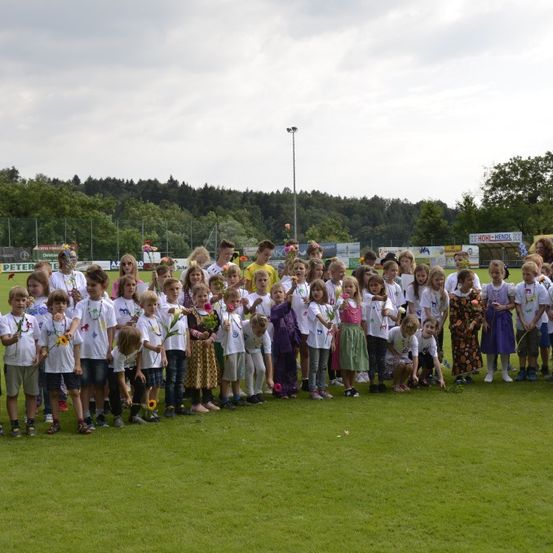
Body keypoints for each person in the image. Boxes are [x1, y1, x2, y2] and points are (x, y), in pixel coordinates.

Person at [70, 265, 117, 429]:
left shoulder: (109, 306)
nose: (89, 288)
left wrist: (109, 348)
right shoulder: (81, 305)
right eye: (88, 284)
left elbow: (111, 328)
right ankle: (86, 416)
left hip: (100, 352)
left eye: (93, 285)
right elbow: (76, 320)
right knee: (85, 385)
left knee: (99, 385)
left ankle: (100, 413)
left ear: (103, 285)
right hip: (83, 352)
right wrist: (71, 331)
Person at [39, 290, 90, 434]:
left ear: (67, 305)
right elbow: (43, 344)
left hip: (69, 364)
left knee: (74, 391)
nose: (60, 306)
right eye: (57, 303)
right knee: (54, 393)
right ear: (51, 306)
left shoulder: (70, 324)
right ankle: (56, 422)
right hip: (52, 365)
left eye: (63, 303)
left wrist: (78, 364)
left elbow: (77, 344)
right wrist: (43, 351)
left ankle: (81, 422)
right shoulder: (47, 325)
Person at [0, 286, 40, 437]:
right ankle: (14, 424)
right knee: (12, 394)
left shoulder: (32, 319)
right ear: (10, 301)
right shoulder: (5, 320)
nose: (20, 303)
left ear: (27, 302)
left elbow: (37, 340)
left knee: (31, 394)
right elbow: (4, 341)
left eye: (23, 300)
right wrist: (13, 339)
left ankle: (30, 423)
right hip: (12, 363)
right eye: (17, 300)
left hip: (30, 363)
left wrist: (37, 354)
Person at [185, 283, 221, 413]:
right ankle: (195, 402)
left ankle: (207, 400)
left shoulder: (211, 311)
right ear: (194, 297)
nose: (203, 298)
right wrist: (201, 336)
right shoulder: (191, 312)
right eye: (200, 296)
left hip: (208, 347)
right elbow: (190, 328)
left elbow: (216, 328)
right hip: (196, 347)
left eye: (205, 295)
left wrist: (210, 339)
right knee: (197, 373)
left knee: (208, 372)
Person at [481, 260, 516, 383]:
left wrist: (503, 307)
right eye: (492, 273)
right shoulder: (486, 287)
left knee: (504, 346)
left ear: (503, 273)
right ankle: (490, 371)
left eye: (498, 273)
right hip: (490, 319)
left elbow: (513, 304)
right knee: (490, 346)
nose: (495, 275)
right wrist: (484, 321)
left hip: (504, 319)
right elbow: (482, 306)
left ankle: (505, 372)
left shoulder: (508, 287)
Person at [514, 261, 548, 382]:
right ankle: (522, 370)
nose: (525, 276)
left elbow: (543, 306)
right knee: (522, 348)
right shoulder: (518, 287)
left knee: (533, 349)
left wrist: (534, 322)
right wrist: (523, 321)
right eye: (523, 274)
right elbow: (517, 305)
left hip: (535, 325)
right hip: (521, 324)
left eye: (528, 274)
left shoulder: (540, 288)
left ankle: (532, 369)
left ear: (535, 274)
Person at [160, 278, 190, 417]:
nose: (175, 292)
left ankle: (180, 404)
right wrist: (183, 311)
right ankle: (170, 405)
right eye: (172, 289)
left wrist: (187, 346)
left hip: (181, 347)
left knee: (180, 378)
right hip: (170, 347)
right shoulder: (164, 306)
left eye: (177, 289)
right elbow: (172, 311)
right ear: (165, 291)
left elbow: (186, 330)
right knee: (171, 378)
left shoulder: (182, 308)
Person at [449, 269, 483, 384]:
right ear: (461, 281)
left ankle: (468, 375)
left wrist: (473, 324)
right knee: (459, 351)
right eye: (469, 280)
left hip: (472, 329)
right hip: (459, 330)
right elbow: (453, 316)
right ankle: (459, 375)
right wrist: (463, 328)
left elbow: (479, 311)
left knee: (471, 351)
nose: (472, 282)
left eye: (473, 280)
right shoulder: (454, 297)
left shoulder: (475, 294)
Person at [136, 290, 167, 421]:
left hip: (157, 360)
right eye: (149, 305)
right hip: (147, 360)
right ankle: (147, 410)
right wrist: (154, 349)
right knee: (148, 386)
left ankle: (152, 408)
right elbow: (144, 342)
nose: (153, 307)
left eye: (155, 305)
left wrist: (164, 356)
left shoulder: (157, 320)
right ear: (142, 306)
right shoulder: (142, 321)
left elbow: (161, 341)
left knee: (157, 385)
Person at [26, 270, 52, 422]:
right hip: (31, 346)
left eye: (35, 285)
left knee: (47, 379)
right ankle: (34, 406)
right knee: (34, 379)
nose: (31, 289)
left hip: (46, 346)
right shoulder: (27, 302)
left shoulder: (49, 300)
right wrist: (26, 307)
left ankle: (49, 410)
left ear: (44, 285)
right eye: (29, 286)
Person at [338, 276, 369, 397]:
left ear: (356, 288)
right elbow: (337, 309)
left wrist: (364, 335)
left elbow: (363, 321)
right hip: (347, 331)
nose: (348, 289)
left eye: (351, 286)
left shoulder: (360, 303)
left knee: (355, 360)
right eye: (345, 287)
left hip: (357, 332)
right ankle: (347, 387)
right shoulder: (341, 301)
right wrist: (342, 305)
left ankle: (352, 385)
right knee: (347, 359)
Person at [362, 274, 393, 393]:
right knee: (372, 358)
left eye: (376, 285)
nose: (373, 287)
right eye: (371, 285)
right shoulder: (367, 296)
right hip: (371, 332)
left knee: (381, 358)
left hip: (382, 333)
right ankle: (372, 382)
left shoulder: (387, 299)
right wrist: (382, 299)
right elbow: (374, 298)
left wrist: (386, 310)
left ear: (381, 286)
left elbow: (387, 310)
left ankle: (381, 382)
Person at [270, 283, 301, 399]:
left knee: (291, 366)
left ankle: (291, 388)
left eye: (280, 292)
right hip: (281, 343)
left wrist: (297, 340)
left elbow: (296, 324)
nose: (278, 294)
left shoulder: (291, 310)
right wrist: (288, 303)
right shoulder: (274, 309)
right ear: (271, 296)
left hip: (291, 342)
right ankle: (280, 390)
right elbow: (279, 312)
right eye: (275, 292)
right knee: (280, 367)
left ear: (284, 294)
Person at [306, 279, 335, 400]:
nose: (315, 292)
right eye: (313, 290)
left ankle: (322, 388)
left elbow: (333, 325)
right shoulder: (312, 305)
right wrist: (326, 324)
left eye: (318, 290)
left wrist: (333, 341)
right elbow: (319, 317)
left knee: (323, 366)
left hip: (326, 341)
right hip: (315, 341)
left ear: (324, 292)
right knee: (314, 365)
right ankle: (313, 389)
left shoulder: (329, 307)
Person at [108, 326, 141, 427]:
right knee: (114, 389)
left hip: (131, 366)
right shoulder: (119, 355)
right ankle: (117, 416)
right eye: (134, 343)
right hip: (114, 368)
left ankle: (134, 415)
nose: (137, 345)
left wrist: (139, 371)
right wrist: (127, 396)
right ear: (126, 343)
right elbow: (121, 377)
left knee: (140, 384)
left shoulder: (138, 343)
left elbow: (140, 353)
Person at [220, 287, 246, 409]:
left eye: (237, 301)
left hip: (239, 348)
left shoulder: (237, 316)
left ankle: (237, 397)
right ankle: (224, 399)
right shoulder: (225, 314)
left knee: (237, 375)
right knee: (228, 376)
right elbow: (225, 323)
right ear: (225, 301)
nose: (234, 304)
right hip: (230, 349)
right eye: (232, 301)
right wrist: (226, 325)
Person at [288, 259, 310, 391]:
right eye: (295, 268)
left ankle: (306, 379)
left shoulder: (310, 286)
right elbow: (284, 299)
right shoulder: (288, 285)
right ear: (291, 271)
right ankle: (292, 380)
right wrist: (292, 288)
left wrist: (310, 300)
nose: (298, 270)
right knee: (292, 352)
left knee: (305, 352)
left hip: (306, 324)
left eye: (301, 268)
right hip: (292, 324)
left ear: (306, 271)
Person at [49, 245, 87, 318]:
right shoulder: (53, 277)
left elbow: (86, 296)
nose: (75, 260)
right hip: (61, 316)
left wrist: (80, 298)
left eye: (76, 257)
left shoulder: (80, 275)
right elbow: (51, 299)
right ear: (62, 260)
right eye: (72, 257)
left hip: (79, 316)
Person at [420, 266, 449, 359]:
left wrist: (439, 326)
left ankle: (437, 369)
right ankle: (427, 369)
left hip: (438, 324)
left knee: (438, 346)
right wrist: (433, 326)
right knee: (427, 346)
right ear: (431, 279)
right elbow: (427, 311)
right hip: (427, 324)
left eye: (441, 279)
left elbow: (445, 312)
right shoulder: (427, 292)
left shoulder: (444, 293)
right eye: (437, 280)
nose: (439, 282)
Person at [243, 314, 273, 404]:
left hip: (256, 349)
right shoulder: (243, 326)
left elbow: (268, 356)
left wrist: (270, 378)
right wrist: (243, 351)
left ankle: (258, 391)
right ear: (252, 326)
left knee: (261, 369)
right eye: (259, 331)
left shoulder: (265, 335)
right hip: (244, 348)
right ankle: (250, 394)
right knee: (250, 368)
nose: (260, 334)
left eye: (263, 332)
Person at [385, 315, 420, 393]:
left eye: (414, 331)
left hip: (404, 358)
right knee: (401, 364)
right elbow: (387, 342)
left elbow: (415, 357)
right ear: (404, 325)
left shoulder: (413, 338)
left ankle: (401, 383)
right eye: (411, 330)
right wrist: (395, 353)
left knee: (410, 366)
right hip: (391, 357)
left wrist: (414, 374)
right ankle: (395, 384)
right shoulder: (394, 331)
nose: (413, 333)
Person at [415, 318, 445, 388]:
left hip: (420, 354)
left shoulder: (432, 341)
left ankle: (421, 379)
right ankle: (412, 379)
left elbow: (436, 359)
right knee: (418, 359)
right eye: (427, 326)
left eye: (432, 327)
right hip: (411, 354)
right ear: (423, 326)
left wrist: (441, 378)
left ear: (435, 330)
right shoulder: (416, 334)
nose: (429, 329)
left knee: (430, 361)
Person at [382, 260, 403, 328]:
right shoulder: (382, 285)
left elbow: (399, 305)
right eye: (392, 270)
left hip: (394, 319)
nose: (395, 273)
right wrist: (390, 316)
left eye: (396, 270)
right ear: (386, 271)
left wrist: (398, 320)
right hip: (384, 319)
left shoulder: (397, 287)